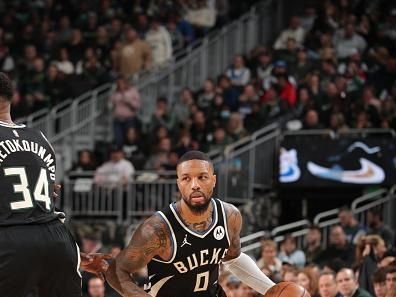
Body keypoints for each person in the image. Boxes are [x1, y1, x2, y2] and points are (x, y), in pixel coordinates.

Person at [106, 150, 275, 296]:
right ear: (179, 184)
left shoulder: (230, 215)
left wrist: (272, 289)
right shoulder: (157, 229)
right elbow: (117, 270)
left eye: (202, 177)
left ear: (213, 180)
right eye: (186, 178)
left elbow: (233, 260)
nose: (195, 185)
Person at [0, 72, 108, 296]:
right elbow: (49, 192)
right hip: (57, 241)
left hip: (11, 238)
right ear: (12, 98)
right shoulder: (39, 137)